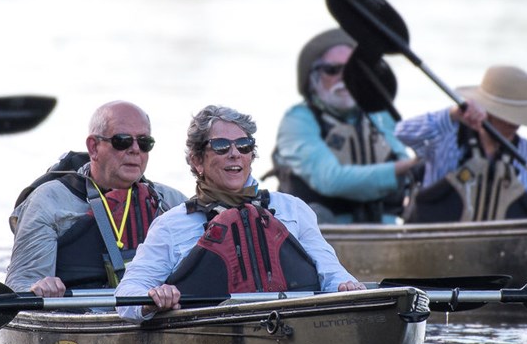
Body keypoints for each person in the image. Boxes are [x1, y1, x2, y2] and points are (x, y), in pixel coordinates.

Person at [115, 105, 366, 324]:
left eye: (244, 146)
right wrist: (151, 300)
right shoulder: (171, 225)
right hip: (212, 336)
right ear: (197, 161)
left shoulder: (294, 209)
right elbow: (127, 296)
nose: (235, 153)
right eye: (221, 146)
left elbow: (332, 274)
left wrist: (347, 287)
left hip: (294, 323)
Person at [5, 100, 188, 297]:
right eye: (122, 140)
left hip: (151, 315)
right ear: (93, 147)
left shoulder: (173, 202)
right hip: (75, 314)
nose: (135, 149)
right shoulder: (48, 201)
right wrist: (37, 288)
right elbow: (20, 284)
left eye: (144, 143)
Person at [395, 64, 527, 222]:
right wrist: (454, 114)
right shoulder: (447, 139)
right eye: (506, 114)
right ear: (487, 108)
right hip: (436, 247)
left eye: (519, 116)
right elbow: (404, 133)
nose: (514, 123)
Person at [271, 28, 420, 224]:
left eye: (353, 69)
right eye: (333, 70)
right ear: (312, 79)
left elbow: (410, 173)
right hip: (319, 238)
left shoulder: (379, 114)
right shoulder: (298, 121)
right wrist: (401, 168)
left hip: (387, 234)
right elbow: (330, 180)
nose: (344, 77)